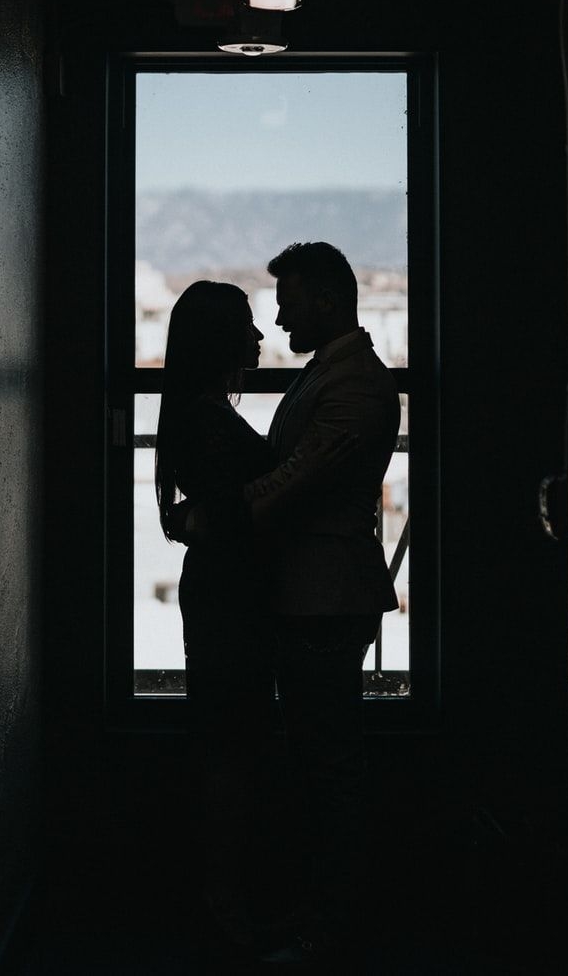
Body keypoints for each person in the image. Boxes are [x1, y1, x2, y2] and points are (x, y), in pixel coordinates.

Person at [243, 241, 401, 966]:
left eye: (290, 302)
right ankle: (325, 917)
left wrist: (219, 514)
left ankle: (334, 926)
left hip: (325, 593)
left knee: (327, 768)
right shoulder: (337, 376)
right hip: (316, 588)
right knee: (318, 762)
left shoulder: (356, 384)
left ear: (330, 302)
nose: (278, 318)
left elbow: (300, 476)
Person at [154, 279, 279, 954]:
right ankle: (224, 902)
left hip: (220, 593)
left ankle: (221, 898)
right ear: (220, 342)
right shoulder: (209, 422)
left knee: (227, 742)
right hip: (231, 599)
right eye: (248, 328)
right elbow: (239, 515)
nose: (260, 339)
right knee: (232, 748)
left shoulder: (194, 416)